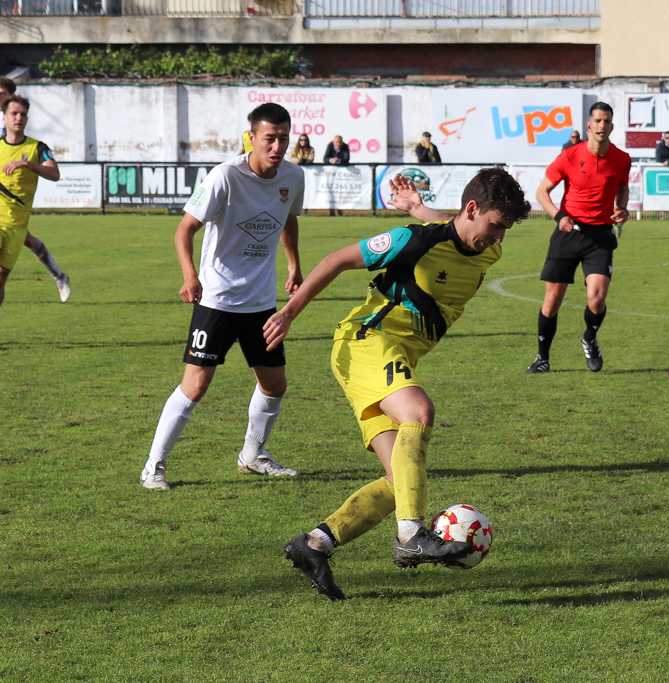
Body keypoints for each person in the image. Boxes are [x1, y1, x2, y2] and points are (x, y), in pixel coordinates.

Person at [266, 168, 531, 600]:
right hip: (366, 341)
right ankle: (410, 536)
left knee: (400, 481)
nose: (499, 237)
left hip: (391, 356)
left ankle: (314, 544)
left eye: (505, 229)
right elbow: (336, 260)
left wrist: (417, 205)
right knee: (419, 411)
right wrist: (289, 313)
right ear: (472, 209)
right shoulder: (413, 240)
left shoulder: (485, 247)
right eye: (496, 225)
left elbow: (449, 225)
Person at [138, 103, 305, 490]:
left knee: (274, 384)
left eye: (283, 139)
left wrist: (294, 265)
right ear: (252, 137)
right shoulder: (224, 176)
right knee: (195, 386)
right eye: (269, 139)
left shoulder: (293, 176)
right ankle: (154, 466)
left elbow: (288, 219)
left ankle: (252, 455)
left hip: (261, 304)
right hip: (217, 301)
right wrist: (190, 275)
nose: (277, 147)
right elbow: (184, 229)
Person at [528, 101, 632, 374]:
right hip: (569, 232)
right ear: (588, 125)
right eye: (597, 120)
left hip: (600, 236)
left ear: (612, 126)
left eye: (606, 121)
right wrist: (558, 216)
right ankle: (542, 358)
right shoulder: (570, 156)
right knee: (552, 300)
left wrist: (621, 208)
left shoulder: (622, 159)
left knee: (596, 298)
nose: (601, 125)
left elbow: (622, 188)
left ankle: (589, 337)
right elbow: (541, 192)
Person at [0, 81, 70, 302]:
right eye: (14, 114)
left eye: (22, 114)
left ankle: (59, 275)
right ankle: (58, 275)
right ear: (5, 117)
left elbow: (54, 174)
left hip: (16, 223)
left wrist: (28, 165)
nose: (18, 118)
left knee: (1, 278)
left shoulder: (38, 148)